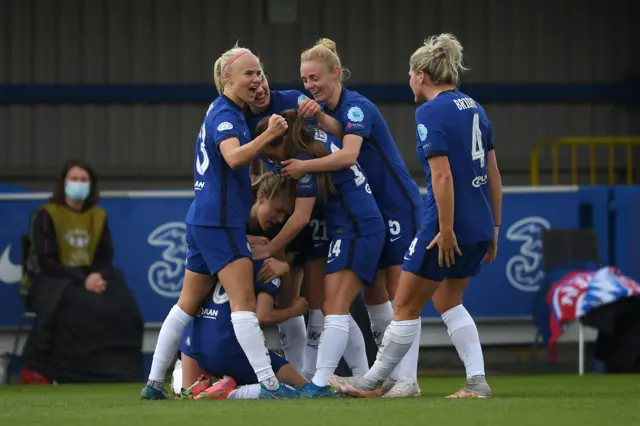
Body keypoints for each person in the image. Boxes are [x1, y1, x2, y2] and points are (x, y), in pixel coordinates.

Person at [329, 33, 502, 399]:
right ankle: (477, 382)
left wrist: (445, 228)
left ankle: (372, 380)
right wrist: (496, 227)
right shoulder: (474, 106)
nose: (408, 79)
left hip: (446, 225)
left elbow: (441, 175)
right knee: (448, 302)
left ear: (422, 75)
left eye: (409, 73)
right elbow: (493, 170)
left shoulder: (429, 111)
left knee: (405, 303)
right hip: (480, 223)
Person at [141, 43, 293, 400]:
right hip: (219, 223)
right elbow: (234, 157)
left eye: (259, 73)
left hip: (202, 219)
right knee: (243, 303)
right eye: (249, 74)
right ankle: (268, 385)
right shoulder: (226, 114)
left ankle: (152, 382)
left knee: (184, 305)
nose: (257, 80)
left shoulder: (227, 112)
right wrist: (269, 135)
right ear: (227, 77)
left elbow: (230, 170)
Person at [284, 38, 424, 396]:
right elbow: (334, 127)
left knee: (400, 293)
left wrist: (303, 166)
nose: (309, 85)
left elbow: (348, 155)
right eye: (304, 80)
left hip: (396, 205)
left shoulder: (357, 106)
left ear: (335, 73)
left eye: (315, 77)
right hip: (372, 210)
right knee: (375, 295)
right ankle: (380, 376)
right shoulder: (328, 116)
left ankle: (407, 379)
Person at [255, 110, 386, 397]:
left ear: (283, 140)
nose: (274, 162)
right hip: (352, 227)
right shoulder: (314, 139)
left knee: (334, 306)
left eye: (272, 153)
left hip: (356, 227)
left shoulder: (303, 161)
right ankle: (351, 378)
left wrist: (270, 248)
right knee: (330, 306)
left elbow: (300, 217)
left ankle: (323, 381)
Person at [21, 159, 143, 384]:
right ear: (63, 183)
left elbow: (105, 257)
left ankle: (118, 371)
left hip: (90, 277)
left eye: (84, 180)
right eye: (74, 179)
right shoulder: (47, 214)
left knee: (123, 304)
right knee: (81, 305)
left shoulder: (98, 216)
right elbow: (46, 261)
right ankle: (66, 372)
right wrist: (83, 279)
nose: (79, 184)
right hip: (53, 279)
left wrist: (96, 277)